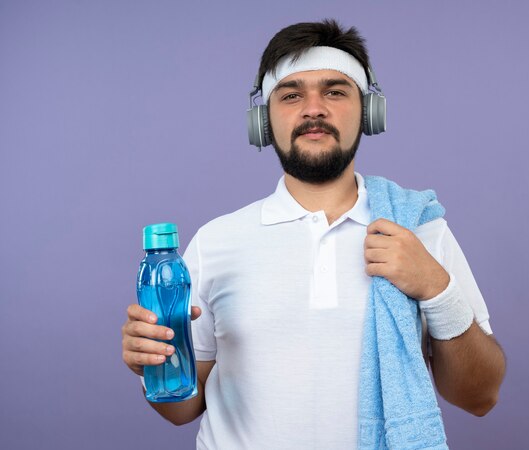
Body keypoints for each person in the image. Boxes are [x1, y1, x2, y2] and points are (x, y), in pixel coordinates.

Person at [121, 19, 506, 449]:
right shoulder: (215, 242)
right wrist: (152, 365)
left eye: (335, 91)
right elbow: (182, 411)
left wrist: (436, 288)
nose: (314, 109)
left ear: (370, 111)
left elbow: (480, 396)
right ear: (263, 121)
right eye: (291, 95)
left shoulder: (419, 231)